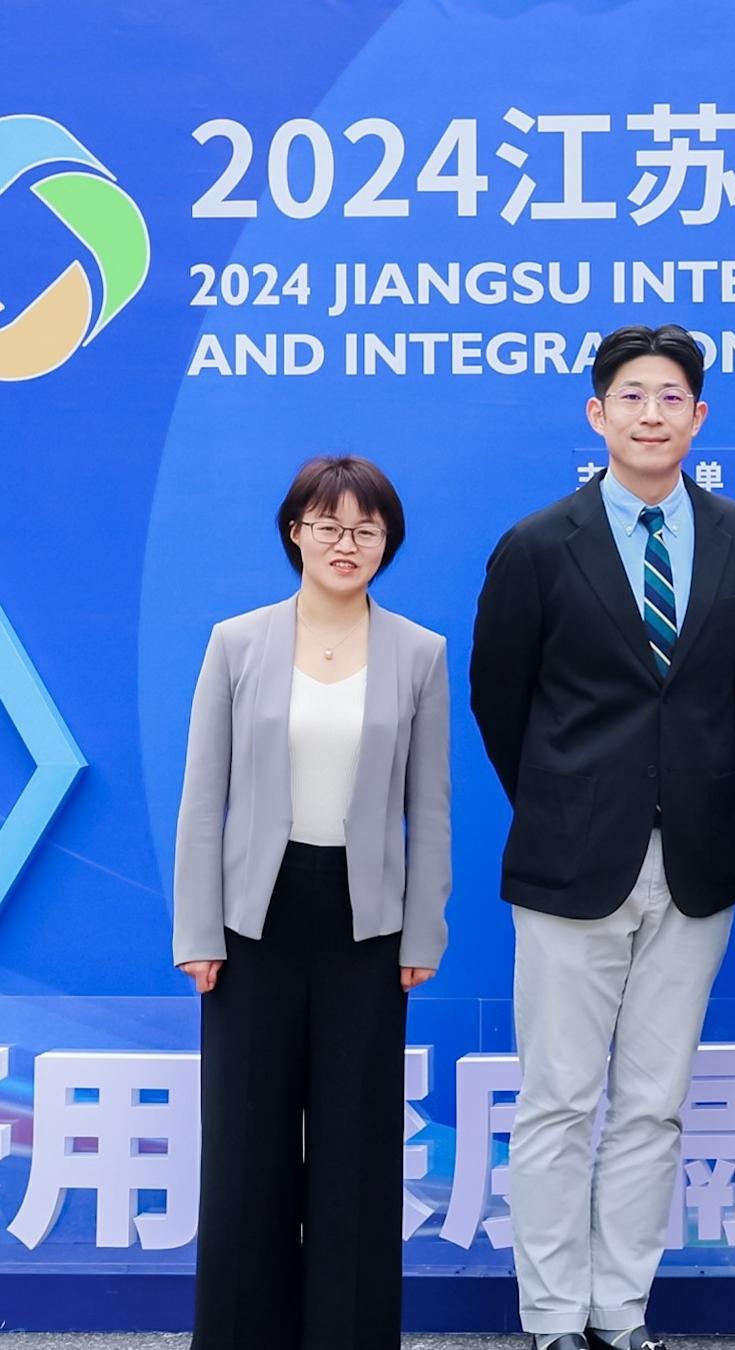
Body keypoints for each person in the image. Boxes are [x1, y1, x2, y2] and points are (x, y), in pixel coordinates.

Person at [469, 323, 735, 1350]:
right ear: (597, 414)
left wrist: (675, 791)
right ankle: (554, 1314)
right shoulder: (536, 545)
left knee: (654, 1104)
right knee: (559, 1099)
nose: (653, 414)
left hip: (693, 863)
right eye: (632, 397)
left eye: (672, 397)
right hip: (569, 863)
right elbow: (500, 701)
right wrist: (572, 798)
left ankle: (620, 1310)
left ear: (700, 416)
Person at [172, 454, 450, 1350]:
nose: (346, 543)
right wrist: (196, 928)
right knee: (247, 1148)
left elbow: (430, 807)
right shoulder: (237, 642)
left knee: (356, 1153)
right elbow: (201, 798)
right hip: (252, 920)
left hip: (365, 922)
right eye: (327, 525)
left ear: (387, 544)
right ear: (295, 531)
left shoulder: (419, 652)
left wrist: (424, 926)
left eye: (366, 529)